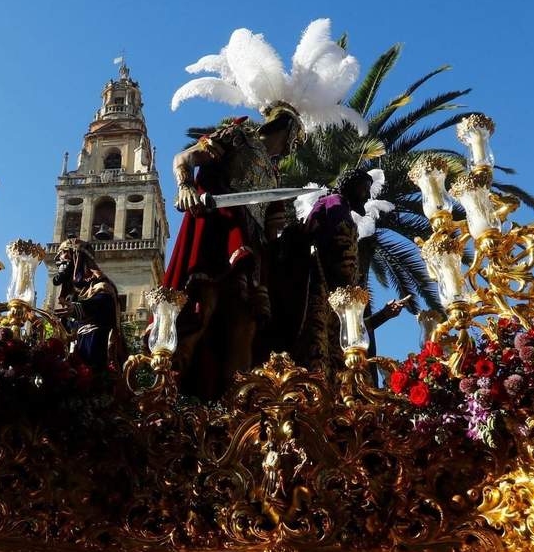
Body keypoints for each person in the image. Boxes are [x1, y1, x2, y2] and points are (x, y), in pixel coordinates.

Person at [162, 104, 301, 399]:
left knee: (247, 322)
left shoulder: (275, 176)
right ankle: (171, 379)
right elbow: (185, 157)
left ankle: (238, 403)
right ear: (289, 129)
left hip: (255, 253)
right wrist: (186, 186)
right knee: (205, 305)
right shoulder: (239, 137)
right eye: (297, 139)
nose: (295, 149)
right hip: (222, 231)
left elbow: (273, 228)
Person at [272, 166, 407, 373]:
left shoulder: (338, 298)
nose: (367, 197)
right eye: (364, 189)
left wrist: (384, 315)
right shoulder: (334, 203)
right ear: (351, 186)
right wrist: (352, 284)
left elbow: (352, 332)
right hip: (316, 297)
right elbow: (343, 257)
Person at [51, 238, 126, 373]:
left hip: (95, 342)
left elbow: (105, 302)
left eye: (63, 253)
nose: (58, 259)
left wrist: (80, 308)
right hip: (75, 348)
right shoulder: (73, 294)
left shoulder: (100, 286)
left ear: (77, 257)